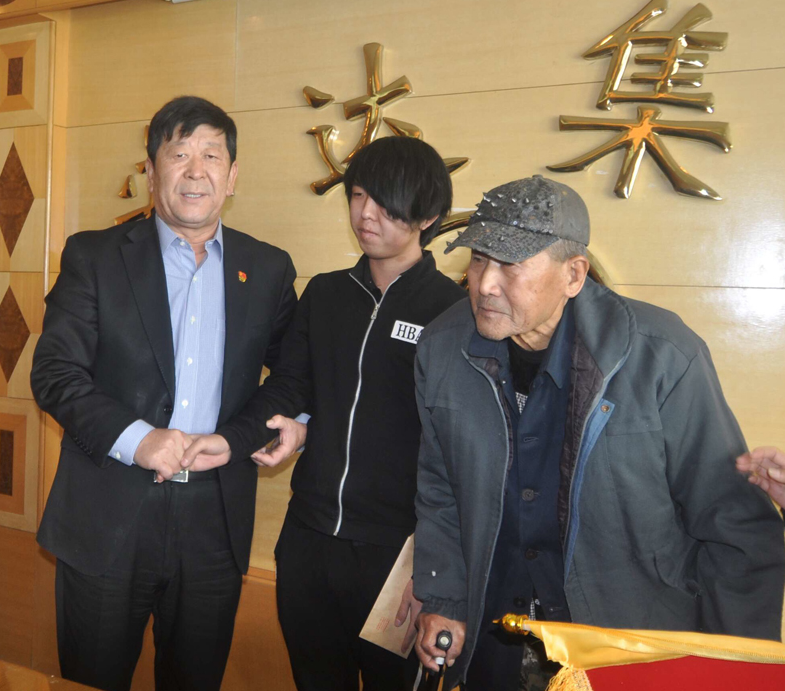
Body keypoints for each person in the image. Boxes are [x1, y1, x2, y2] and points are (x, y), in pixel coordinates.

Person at [410, 175, 785, 691]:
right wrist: (445, 597)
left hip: (627, 645)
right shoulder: (442, 348)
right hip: (496, 633)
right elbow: (440, 489)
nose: (485, 284)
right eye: (478, 259)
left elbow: (734, 526)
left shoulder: (662, 355)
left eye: (511, 264)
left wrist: (735, 668)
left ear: (574, 274)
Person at [30, 96, 297, 691]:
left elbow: (290, 378)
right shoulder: (95, 256)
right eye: (179, 155)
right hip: (107, 516)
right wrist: (139, 439)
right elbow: (54, 372)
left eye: (212, 156)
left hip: (214, 523)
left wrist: (238, 440)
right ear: (151, 171)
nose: (196, 170)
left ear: (233, 176)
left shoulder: (269, 269)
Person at [181, 137, 466, 690]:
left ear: (428, 215)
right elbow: (290, 388)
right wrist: (238, 439)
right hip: (309, 543)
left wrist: (438, 573)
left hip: (398, 557)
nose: (365, 214)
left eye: (385, 203)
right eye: (358, 196)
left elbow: (461, 455)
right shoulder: (327, 294)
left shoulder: (452, 313)